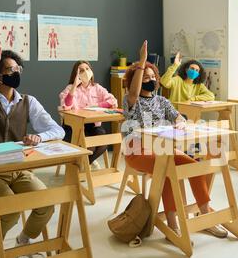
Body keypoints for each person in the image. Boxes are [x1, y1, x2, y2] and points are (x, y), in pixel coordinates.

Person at [0, 34, 65, 257]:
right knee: (10, 210)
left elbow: (59, 130)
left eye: (18, 69)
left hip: (18, 169)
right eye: (10, 70)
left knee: (46, 204)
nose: (16, 73)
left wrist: (39, 137)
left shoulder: (28, 101)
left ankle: (24, 239)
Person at [121, 40, 228, 239]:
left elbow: (177, 115)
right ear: (135, 79)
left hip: (163, 149)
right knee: (168, 168)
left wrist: (180, 121)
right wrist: (142, 61)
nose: (150, 80)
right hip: (137, 152)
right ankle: (172, 223)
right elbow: (135, 92)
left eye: (153, 76)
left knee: (194, 165)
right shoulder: (130, 100)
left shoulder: (162, 100)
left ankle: (204, 215)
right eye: (145, 77)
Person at [59, 61, 118, 170]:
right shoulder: (70, 88)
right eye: (81, 70)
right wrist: (74, 86)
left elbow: (112, 100)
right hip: (74, 128)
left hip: (93, 125)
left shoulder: (97, 88)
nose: (85, 72)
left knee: (103, 142)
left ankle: (85, 163)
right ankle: (84, 164)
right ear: (75, 74)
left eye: (87, 69)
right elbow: (66, 106)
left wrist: (96, 105)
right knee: (90, 145)